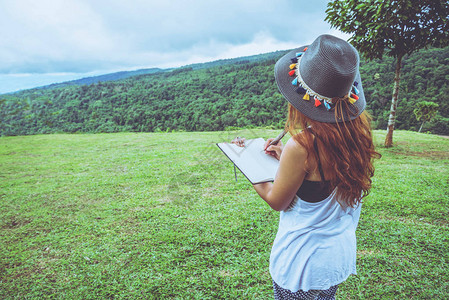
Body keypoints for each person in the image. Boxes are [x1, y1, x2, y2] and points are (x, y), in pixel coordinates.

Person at [235, 34, 381, 299]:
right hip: (336, 256)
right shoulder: (357, 135)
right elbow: (321, 175)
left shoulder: (302, 146)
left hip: (301, 262)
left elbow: (277, 200)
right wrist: (284, 159)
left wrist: (247, 163)